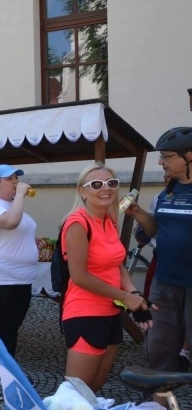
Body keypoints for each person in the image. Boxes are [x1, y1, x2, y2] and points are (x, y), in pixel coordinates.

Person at [61, 163, 148, 393]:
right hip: (85, 312)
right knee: (76, 395)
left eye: (112, 183)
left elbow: (117, 264)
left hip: (110, 313)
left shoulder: (108, 220)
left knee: (96, 386)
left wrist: (134, 294)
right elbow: (79, 276)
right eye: (96, 184)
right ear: (83, 191)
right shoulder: (77, 223)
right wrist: (124, 296)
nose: (106, 188)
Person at [127, 127, 192, 372]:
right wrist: (139, 214)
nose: (161, 162)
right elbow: (155, 230)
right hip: (164, 283)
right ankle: (158, 406)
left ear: (189, 156)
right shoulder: (168, 191)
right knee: (159, 349)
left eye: (167, 156)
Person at [0, 165, 41, 402]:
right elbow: (10, 224)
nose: (16, 182)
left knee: (11, 330)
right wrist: (21, 194)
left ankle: (9, 376)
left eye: (17, 179)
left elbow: (20, 231)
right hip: (1, 278)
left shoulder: (15, 206)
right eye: (11, 179)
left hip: (22, 277)